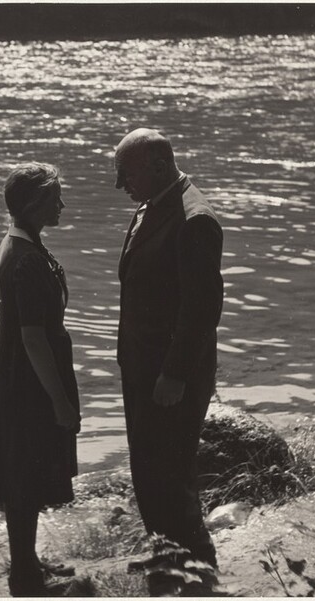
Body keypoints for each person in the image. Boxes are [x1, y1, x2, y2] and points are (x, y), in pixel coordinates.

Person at [114, 128, 224, 568]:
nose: (120, 185)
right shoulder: (153, 204)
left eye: (126, 174)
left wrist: (175, 373)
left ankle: (197, 559)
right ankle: (165, 552)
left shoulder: (195, 218)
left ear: (159, 167)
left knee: (172, 469)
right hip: (143, 363)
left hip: (170, 372)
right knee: (147, 464)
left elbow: (202, 308)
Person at [0, 162, 82, 596]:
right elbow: (33, 338)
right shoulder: (24, 260)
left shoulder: (22, 244)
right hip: (29, 381)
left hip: (20, 374)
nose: (61, 204)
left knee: (28, 470)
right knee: (24, 477)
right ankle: (24, 576)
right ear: (35, 204)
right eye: (54, 197)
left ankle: (29, 562)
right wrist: (59, 400)